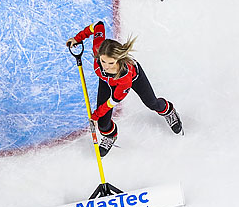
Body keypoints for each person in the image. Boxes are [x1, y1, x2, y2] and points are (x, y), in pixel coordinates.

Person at [67, 22, 182, 156]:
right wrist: (78, 38)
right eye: (103, 61)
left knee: (152, 103)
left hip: (132, 78)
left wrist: (95, 115)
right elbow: (98, 26)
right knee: (103, 125)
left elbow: (111, 102)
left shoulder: (125, 78)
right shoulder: (98, 48)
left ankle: (168, 111)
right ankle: (111, 136)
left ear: (119, 60)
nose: (106, 67)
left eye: (111, 63)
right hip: (106, 81)